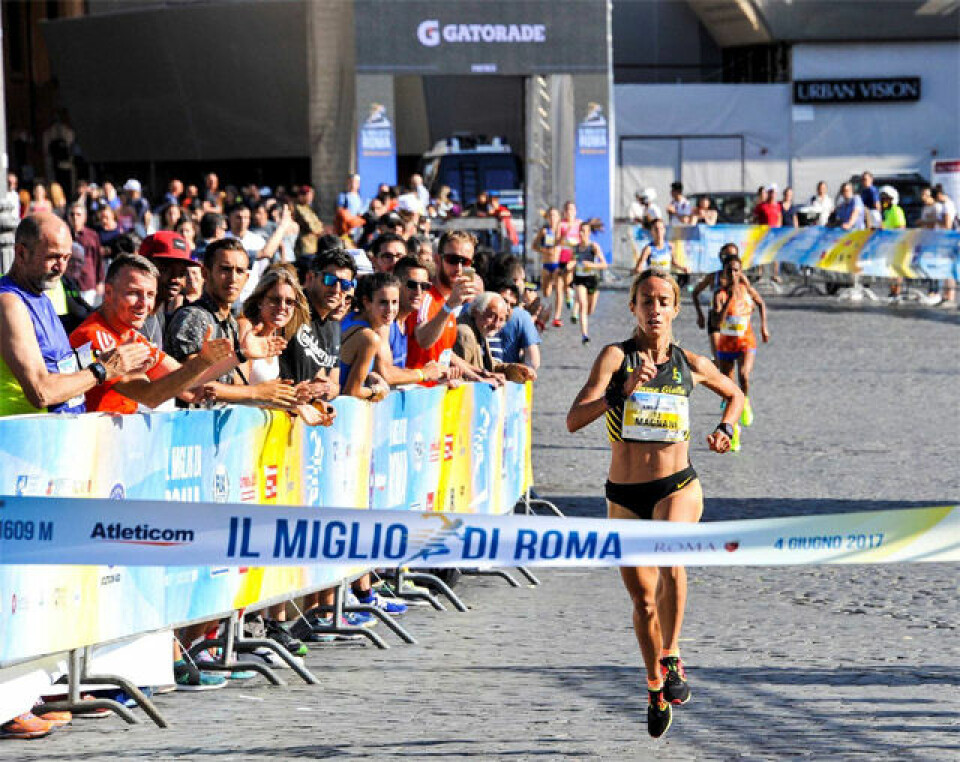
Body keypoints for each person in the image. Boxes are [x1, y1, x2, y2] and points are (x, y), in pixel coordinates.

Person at [566, 268, 743, 739]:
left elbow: (735, 394)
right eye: (646, 300)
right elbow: (573, 419)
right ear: (632, 307)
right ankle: (654, 685)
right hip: (624, 495)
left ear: (676, 308)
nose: (655, 308)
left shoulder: (688, 362)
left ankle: (673, 654)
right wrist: (619, 393)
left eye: (664, 300)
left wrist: (727, 428)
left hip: (677, 485)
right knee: (643, 602)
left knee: (671, 555)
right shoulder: (615, 357)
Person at [0, 213, 154, 417]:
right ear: (21, 254)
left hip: (55, 434)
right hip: (24, 440)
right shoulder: (9, 302)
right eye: (53, 257)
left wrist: (116, 364)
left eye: (66, 257)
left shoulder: (40, 294)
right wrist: (101, 370)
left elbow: (57, 366)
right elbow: (41, 392)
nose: (61, 267)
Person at [68, 254, 235, 413]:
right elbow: (150, 396)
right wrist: (201, 363)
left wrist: (240, 355)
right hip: (98, 441)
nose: (144, 304)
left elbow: (190, 385)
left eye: (150, 295)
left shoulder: (130, 335)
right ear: (109, 293)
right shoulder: (93, 336)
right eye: (134, 293)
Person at [164, 237, 294, 408]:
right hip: (186, 427)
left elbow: (233, 387)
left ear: (247, 278)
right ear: (205, 273)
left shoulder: (230, 322)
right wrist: (257, 392)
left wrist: (290, 399)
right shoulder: (193, 317)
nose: (233, 278)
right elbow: (189, 383)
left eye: (240, 271)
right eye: (225, 269)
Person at [406, 229, 485, 382]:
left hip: (435, 393)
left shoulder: (446, 300)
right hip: (416, 394)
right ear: (437, 259)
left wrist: (479, 374)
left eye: (465, 262)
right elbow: (424, 341)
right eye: (452, 260)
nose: (459, 268)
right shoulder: (425, 295)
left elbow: (445, 353)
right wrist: (449, 306)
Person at [712, 253, 770, 449]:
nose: (734, 273)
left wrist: (764, 327)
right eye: (730, 270)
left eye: (737, 270)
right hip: (726, 346)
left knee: (744, 374)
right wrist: (728, 300)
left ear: (741, 272)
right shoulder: (719, 295)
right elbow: (718, 322)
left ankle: (745, 403)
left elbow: (761, 303)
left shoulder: (747, 291)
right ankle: (733, 431)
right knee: (729, 389)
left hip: (746, 342)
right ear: (725, 273)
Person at [454, 292, 537, 384]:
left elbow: (490, 367)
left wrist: (515, 370)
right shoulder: (465, 334)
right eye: (491, 316)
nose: (496, 324)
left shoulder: (480, 328)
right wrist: (483, 378)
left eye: (501, 320)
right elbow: (462, 374)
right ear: (475, 312)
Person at [338, 273, 395, 401]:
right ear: (367, 302)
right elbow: (351, 392)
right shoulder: (369, 338)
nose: (390, 309)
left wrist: (369, 376)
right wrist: (376, 391)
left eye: (395, 302)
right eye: (383, 302)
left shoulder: (349, 317)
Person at [691, 243, 739, 360]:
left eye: (732, 255)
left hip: (734, 319)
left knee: (733, 361)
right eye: (726, 256)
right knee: (719, 357)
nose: (728, 259)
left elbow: (753, 297)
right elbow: (695, 292)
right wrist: (700, 315)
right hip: (715, 318)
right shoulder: (713, 277)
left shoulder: (740, 276)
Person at [571, 222, 607, 344]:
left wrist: (592, 265)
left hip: (592, 279)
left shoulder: (593, 247)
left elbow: (604, 264)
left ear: (589, 233)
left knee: (590, 310)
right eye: (580, 231)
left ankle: (579, 312)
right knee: (583, 303)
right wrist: (571, 265)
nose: (581, 234)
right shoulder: (575, 248)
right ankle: (584, 335)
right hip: (579, 279)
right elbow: (573, 261)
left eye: (584, 231)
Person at [66, 200, 105, 305]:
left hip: (87, 282)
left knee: (87, 315)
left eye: (78, 214)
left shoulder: (92, 235)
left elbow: (98, 260)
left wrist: (100, 281)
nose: (75, 217)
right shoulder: (63, 235)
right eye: (72, 214)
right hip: (68, 283)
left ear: (84, 217)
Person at [534, 206, 563, 328]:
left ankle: (557, 317)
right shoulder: (544, 231)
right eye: (550, 215)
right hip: (547, 264)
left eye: (555, 215)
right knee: (546, 292)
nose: (552, 218)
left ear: (558, 218)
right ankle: (545, 313)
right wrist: (542, 250)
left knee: (559, 291)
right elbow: (534, 245)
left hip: (558, 264)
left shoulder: (561, 231)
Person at [558, 201, 581, 319]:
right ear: (564, 212)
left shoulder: (579, 223)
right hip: (563, 255)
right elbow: (558, 240)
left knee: (573, 276)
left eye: (572, 210)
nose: (570, 212)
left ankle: (575, 309)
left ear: (576, 211)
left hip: (575, 256)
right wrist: (566, 233)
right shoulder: (561, 224)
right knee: (566, 279)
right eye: (567, 210)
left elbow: (583, 238)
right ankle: (568, 293)